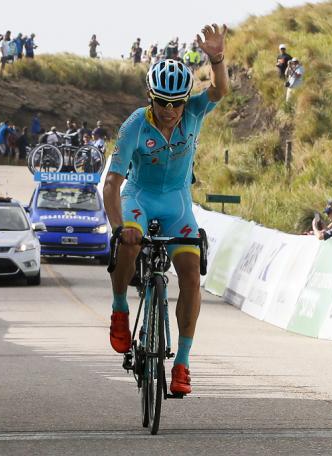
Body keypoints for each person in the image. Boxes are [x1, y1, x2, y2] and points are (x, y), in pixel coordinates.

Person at [104, 24, 229, 396]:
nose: (172, 110)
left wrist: (217, 58)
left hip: (177, 204)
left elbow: (220, 90)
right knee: (130, 241)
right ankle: (119, 308)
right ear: (150, 98)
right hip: (139, 199)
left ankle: (182, 363)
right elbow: (113, 184)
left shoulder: (193, 112)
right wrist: (118, 226)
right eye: (163, 102)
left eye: (178, 103)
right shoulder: (133, 127)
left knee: (191, 277)